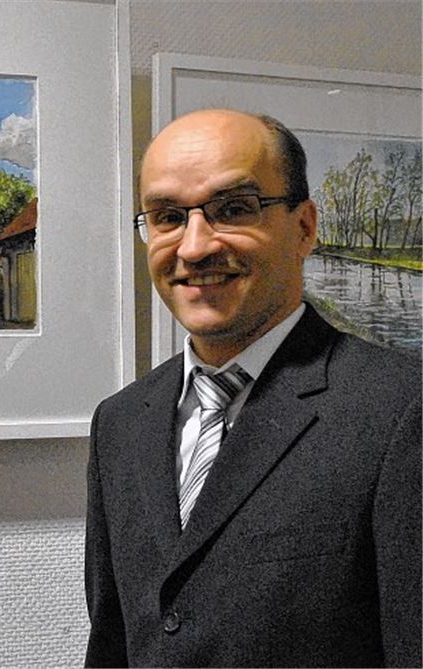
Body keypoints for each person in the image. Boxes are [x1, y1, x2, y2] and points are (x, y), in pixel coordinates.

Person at [84, 108, 421, 667]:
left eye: (234, 209)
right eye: (167, 217)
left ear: (305, 227)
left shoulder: (400, 411)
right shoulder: (120, 422)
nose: (193, 247)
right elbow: (114, 642)